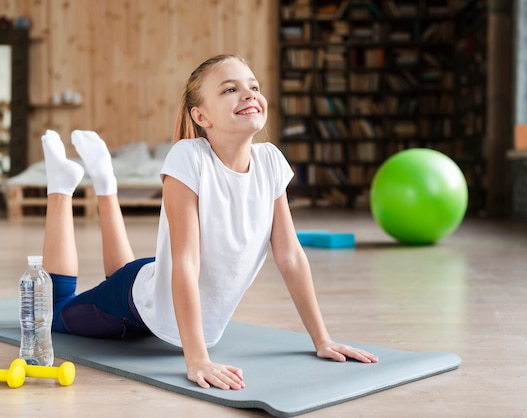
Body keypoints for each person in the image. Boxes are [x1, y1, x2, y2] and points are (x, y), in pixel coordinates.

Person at [40, 54, 379, 391]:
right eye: (230, 89)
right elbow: (186, 262)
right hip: (141, 303)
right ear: (201, 116)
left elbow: (290, 256)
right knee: (51, 315)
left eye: (253, 86)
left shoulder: (272, 161)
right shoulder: (189, 157)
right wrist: (197, 358)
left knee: (125, 276)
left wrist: (322, 339)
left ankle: (103, 178)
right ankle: (61, 186)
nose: (248, 94)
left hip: (157, 281)